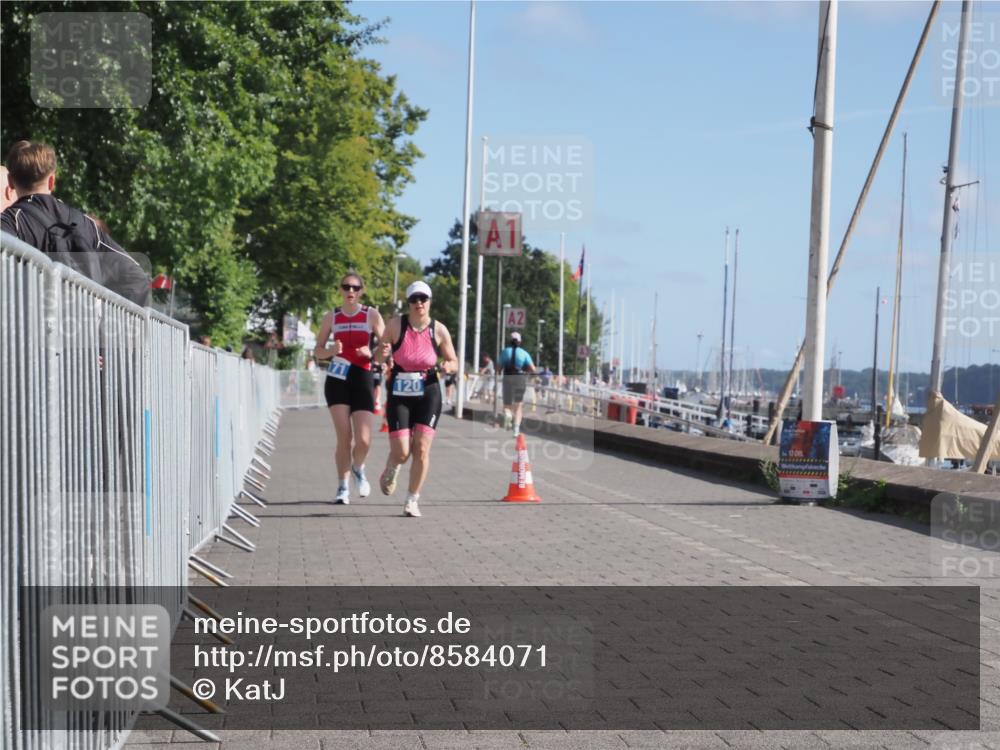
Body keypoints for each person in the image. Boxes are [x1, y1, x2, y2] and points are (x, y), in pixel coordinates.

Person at [1, 141, 150, 306]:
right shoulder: (85, 224)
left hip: (28, 328)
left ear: (10, 181)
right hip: (82, 329)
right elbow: (137, 279)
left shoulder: (10, 222)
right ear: (52, 180)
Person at [375, 280, 458, 518]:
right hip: (400, 389)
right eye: (414, 300)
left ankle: (412, 499)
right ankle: (392, 467)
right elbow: (379, 357)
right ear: (409, 303)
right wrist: (382, 353)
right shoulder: (394, 325)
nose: (419, 303)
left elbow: (454, 360)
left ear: (430, 302)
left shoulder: (439, 330)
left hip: (428, 389)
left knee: (421, 449)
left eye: (423, 299)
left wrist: (446, 367)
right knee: (402, 452)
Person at [313, 272, 386, 505]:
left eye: (355, 287)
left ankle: (358, 468)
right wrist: (332, 350)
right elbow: (318, 351)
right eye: (346, 287)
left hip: (363, 376)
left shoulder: (371, 315)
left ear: (361, 290)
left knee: (364, 440)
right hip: (337, 377)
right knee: (344, 436)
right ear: (340, 289)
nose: (350, 291)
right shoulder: (331, 317)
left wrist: (372, 355)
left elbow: (386, 350)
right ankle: (342, 486)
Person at [499, 331, 536, 435]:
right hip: (520, 379)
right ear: (520, 342)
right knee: (519, 405)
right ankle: (516, 429)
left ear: (509, 341)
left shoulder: (505, 352)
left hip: (507, 378)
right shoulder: (524, 353)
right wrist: (525, 371)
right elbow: (533, 369)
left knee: (507, 404)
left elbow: (498, 367)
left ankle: (508, 415)